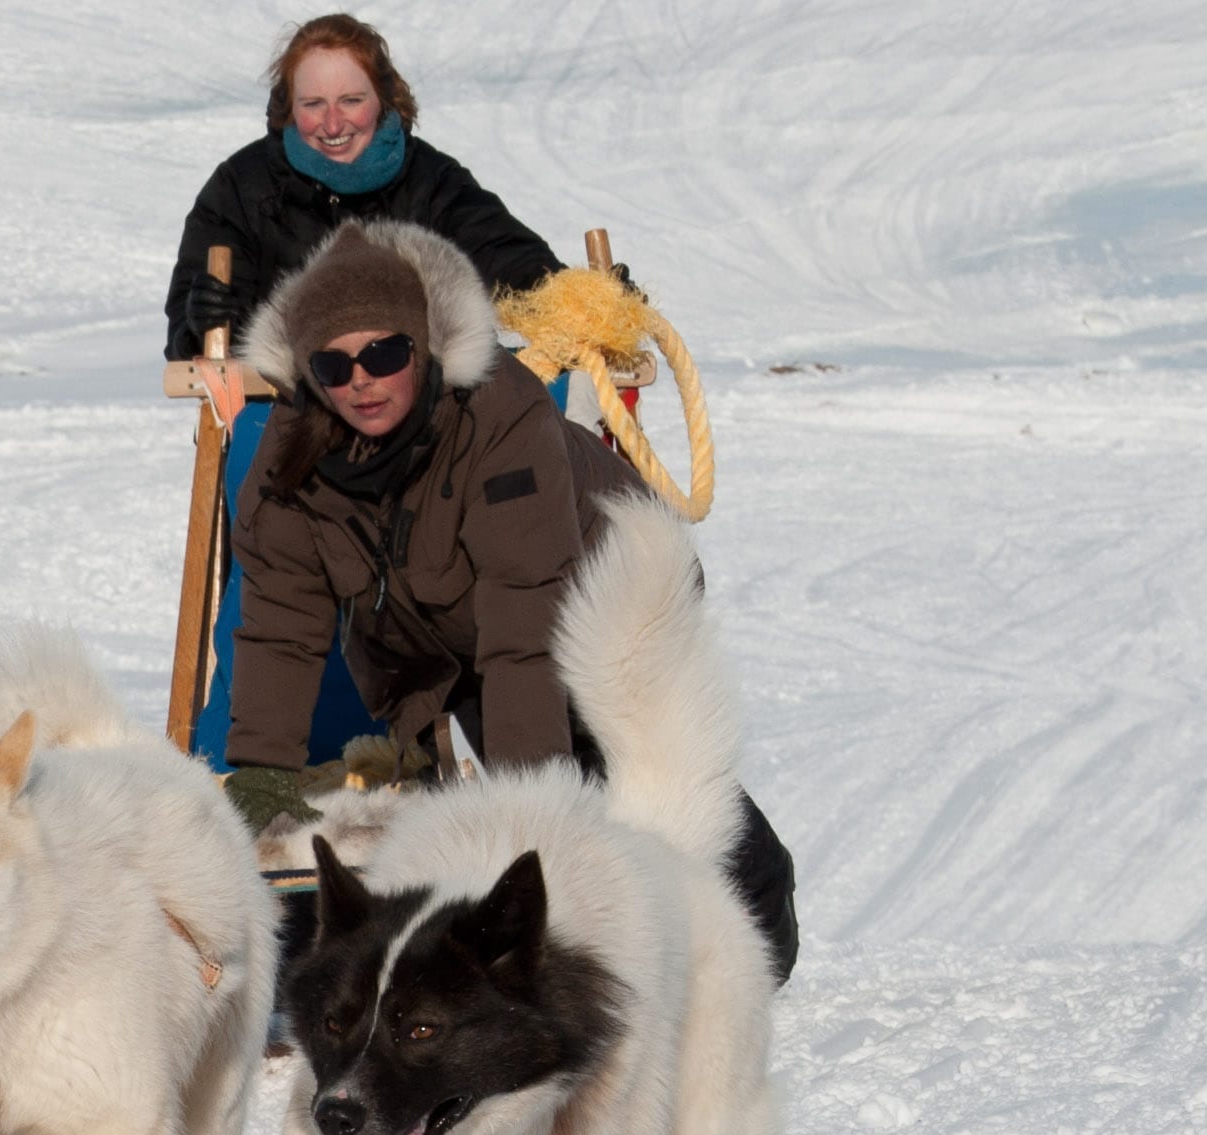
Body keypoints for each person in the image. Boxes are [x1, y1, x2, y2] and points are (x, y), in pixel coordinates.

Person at [220, 220, 800, 979]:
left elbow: (525, 633)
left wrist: (538, 831)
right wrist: (262, 777)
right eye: (334, 363)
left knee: (622, 762)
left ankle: (755, 926)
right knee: (521, 778)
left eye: (384, 353)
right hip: (446, 623)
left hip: (608, 581)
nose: (360, 378)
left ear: (423, 348)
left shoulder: (500, 416)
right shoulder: (293, 453)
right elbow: (279, 626)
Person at [163, 15, 561, 363]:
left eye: (351, 100)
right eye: (313, 104)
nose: (333, 125)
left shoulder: (430, 180)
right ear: (289, 106)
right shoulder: (241, 188)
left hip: (422, 420)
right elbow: (187, 327)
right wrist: (201, 323)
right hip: (281, 415)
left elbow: (505, 257)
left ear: (385, 100)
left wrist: (575, 297)